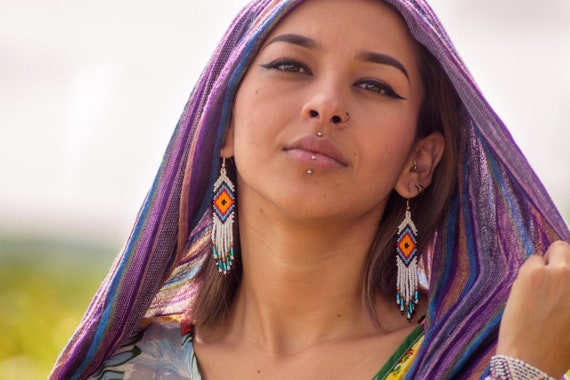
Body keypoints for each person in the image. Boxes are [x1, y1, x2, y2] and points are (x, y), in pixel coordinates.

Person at [50, 0, 570, 378]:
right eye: (291, 66)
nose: (326, 104)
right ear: (223, 125)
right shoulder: (127, 370)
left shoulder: (484, 364)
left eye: (375, 85)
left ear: (420, 162)